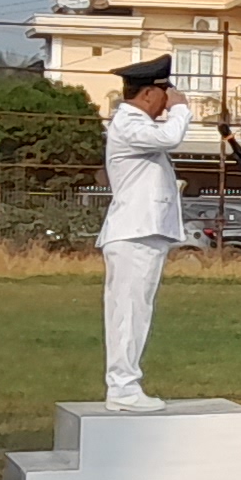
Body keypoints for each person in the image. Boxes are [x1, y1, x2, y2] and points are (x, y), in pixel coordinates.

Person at [99, 55, 191, 411]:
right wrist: (181, 110)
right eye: (165, 94)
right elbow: (170, 138)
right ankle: (122, 387)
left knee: (137, 309)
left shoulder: (136, 126)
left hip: (143, 232)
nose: (169, 101)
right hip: (133, 233)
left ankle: (125, 383)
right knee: (129, 311)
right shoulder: (128, 123)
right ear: (151, 94)